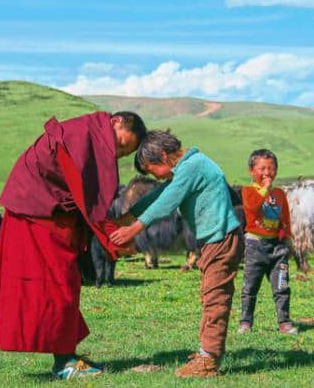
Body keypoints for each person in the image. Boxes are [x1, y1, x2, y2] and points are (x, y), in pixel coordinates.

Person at [0, 111, 146, 380]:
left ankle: (67, 356)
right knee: (60, 282)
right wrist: (115, 238)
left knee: (66, 280)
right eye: (120, 145)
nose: (117, 154)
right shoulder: (83, 135)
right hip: (37, 212)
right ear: (116, 120)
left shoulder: (89, 134)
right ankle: (64, 363)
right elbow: (87, 196)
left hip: (47, 212)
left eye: (124, 153)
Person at [110, 130, 242, 378]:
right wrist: (129, 215)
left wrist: (134, 229)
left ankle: (209, 361)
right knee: (210, 295)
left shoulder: (193, 166)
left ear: (163, 156)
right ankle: (206, 352)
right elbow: (158, 194)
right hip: (214, 240)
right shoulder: (187, 167)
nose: (154, 177)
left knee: (215, 299)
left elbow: (167, 202)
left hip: (221, 239)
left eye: (152, 170)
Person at [238, 149, 298, 335]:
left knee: (282, 286)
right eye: (262, 168)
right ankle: (245, 323)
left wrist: (287, 237)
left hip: (277, 247)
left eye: (271, 168)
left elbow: (284, 216)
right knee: (250, 287)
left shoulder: (279, 193)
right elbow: (252, 206)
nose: (267, 172)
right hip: (255, 245)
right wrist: (264, 188)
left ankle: (284, 322)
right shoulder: (248, 191)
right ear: (251, 171)